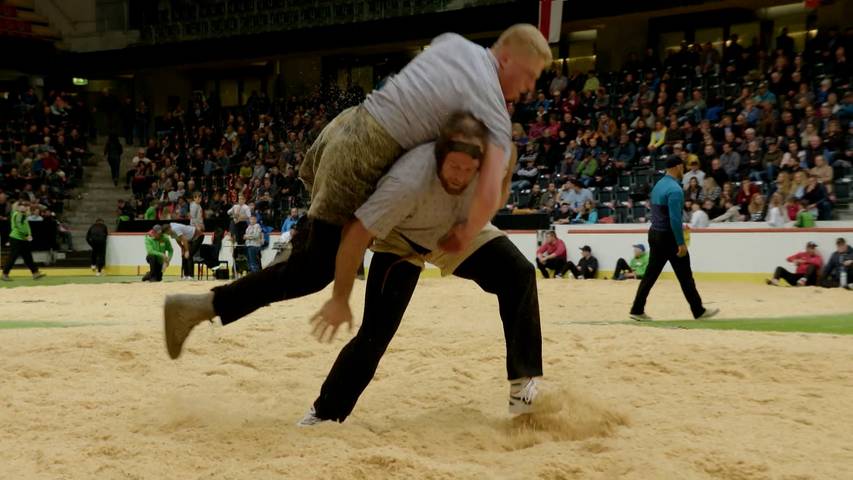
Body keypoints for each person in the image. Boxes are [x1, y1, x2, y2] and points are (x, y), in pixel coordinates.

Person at [165, 112, 544, 424]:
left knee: (519, 273)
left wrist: (471, 220)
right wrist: (341, 297)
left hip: (451, 224)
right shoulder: (392, 177)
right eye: (454, 167)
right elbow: (355, 239)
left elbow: (501, 173)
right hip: (400, 237)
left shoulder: (492, 148)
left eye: (469, 168)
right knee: (356, 314)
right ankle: (323, 414)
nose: (461, 175)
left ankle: (522, 384)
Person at [629, 156, 719, 321]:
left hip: (654, 233)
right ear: (677, 166)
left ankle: (637, 309)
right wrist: (680, 243)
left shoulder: (658, 185)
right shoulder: (675, 190)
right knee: (685, 275)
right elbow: (675, 219)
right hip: (668, 237)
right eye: (682, 166)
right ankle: (698, 310)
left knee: (650, 275)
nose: (683, 169)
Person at [1, 199, 46, 281]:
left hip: (21, 238)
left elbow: (26, 226)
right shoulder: (18, 215)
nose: (25, 207)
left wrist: (29, 234)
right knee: (13, 257)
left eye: (26, 206)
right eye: (23, 206)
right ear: (18, 207)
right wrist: (27, 235)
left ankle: (35, 273)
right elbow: (19, 226)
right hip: (16, 238)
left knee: (27, 256)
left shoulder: (22, 215)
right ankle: (4, 274)